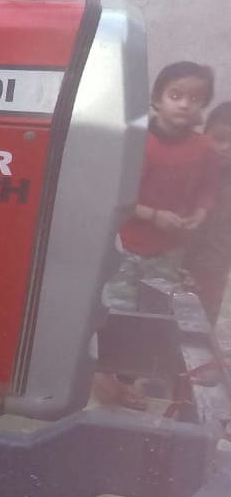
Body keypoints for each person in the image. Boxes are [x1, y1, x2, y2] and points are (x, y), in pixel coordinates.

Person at [104, 61, 219, 312]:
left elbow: (208, 188)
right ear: (157, 99)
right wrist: (154, 216)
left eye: (195, 99)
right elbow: (116, 193)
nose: (185, 104)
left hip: (169, 250)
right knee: (117, 310)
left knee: (158, 312)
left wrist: (201, 212)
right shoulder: (137, 143)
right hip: (125, 245)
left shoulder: (205, 148)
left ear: (203, 106)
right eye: (175, 95)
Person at [184, 101, 231, 320]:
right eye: (220, 138)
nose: (225, 148)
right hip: (174, 265)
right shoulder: (188, 169)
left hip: (213, 275)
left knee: (200, 330)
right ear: (205, 133)